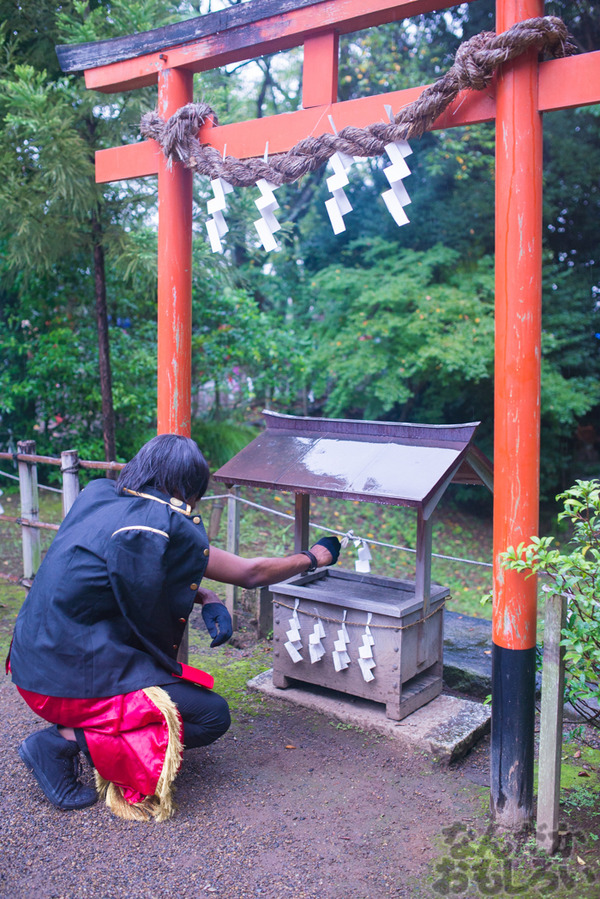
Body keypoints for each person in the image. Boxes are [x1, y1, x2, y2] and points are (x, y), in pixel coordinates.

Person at [7, 434, 340, 821]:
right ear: (186, 486)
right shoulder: (160, 522)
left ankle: (77, 729)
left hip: (33, 664)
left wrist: (207, 598)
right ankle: (60, 742)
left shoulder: (99, 496)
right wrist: (313, 556)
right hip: (63, 685)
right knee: (211, 716)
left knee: (178, 696)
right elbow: (251, 573)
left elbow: (127, 573)